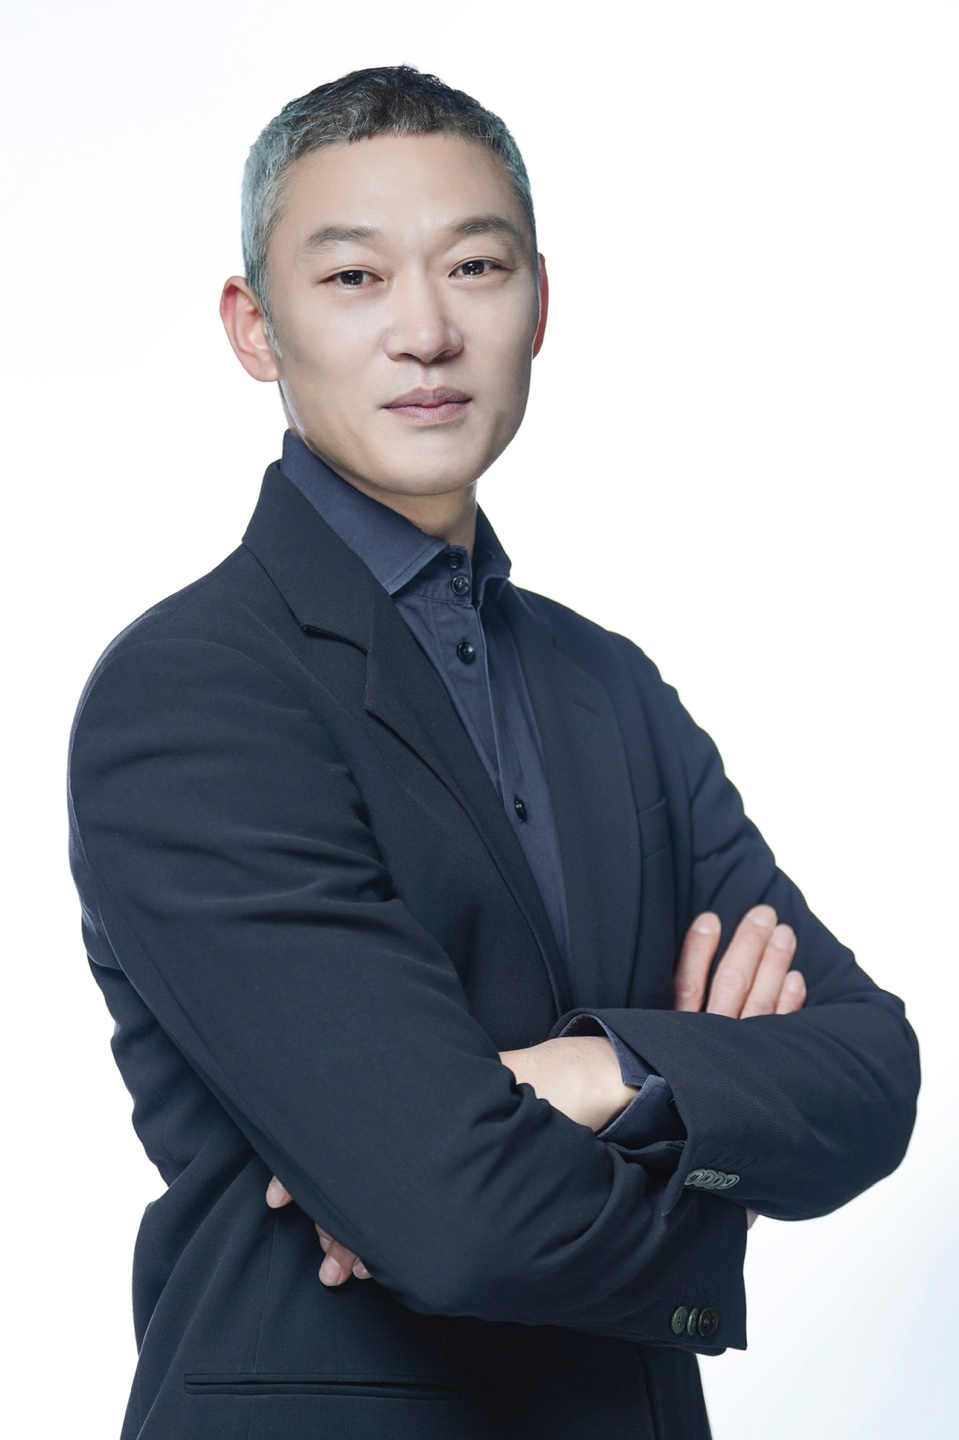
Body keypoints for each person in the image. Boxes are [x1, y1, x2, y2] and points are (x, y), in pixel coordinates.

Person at [67, 65, 920, 1440]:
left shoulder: (609, 687)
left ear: (540, 305)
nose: (426, 332)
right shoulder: (195, 695)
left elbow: (871, 1076)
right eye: (354, 278)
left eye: (475, 266)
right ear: (255, 327)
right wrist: (703, 1121)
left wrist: (598, 1072)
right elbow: (449, 1216)